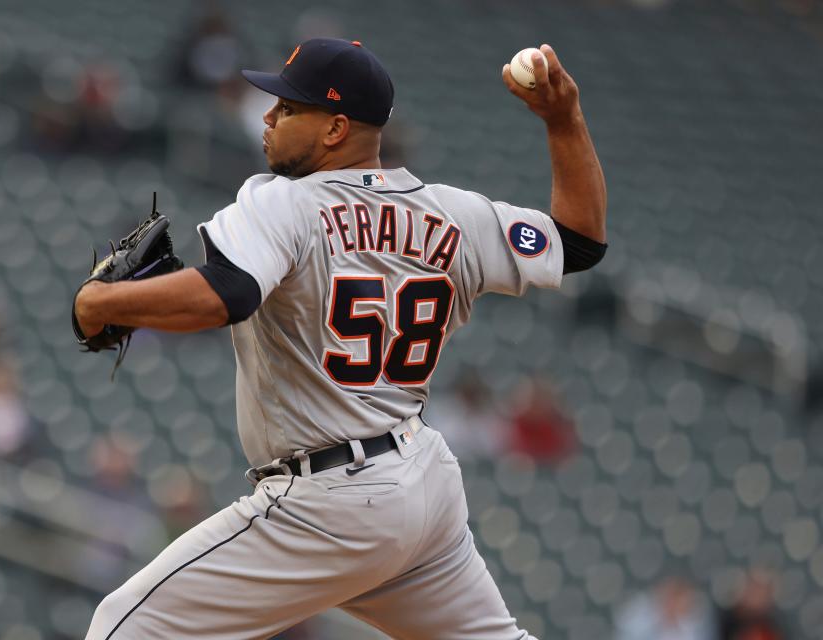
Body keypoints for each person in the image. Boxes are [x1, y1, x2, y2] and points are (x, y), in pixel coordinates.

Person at [75, 38, 606, 639]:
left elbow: (229, 294)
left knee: (122, 628)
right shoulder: (454, 214)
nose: (269, 117)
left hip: (330, 501)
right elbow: (578, 242)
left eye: (288, 107)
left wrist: (99, 302)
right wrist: (564, 120)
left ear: (335, 129)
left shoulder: (283, 202)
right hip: (422, 485)